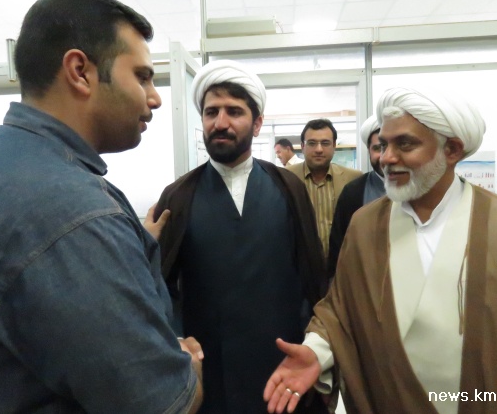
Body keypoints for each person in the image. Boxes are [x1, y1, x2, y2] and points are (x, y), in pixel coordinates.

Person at [0, 0, 203, 413]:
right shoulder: (77, 216)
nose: (155, 97)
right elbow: (159, 404)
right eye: (141, 76)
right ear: (80, 71)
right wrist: (187, 368)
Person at [264, 87, 497, 414]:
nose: (387, 158)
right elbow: (340, 310)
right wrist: (316, 352)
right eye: (384, 144)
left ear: (452, 150)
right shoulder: (365, 226)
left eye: (405, 144)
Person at [152, 59, 328, 414]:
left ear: (257, 123)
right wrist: (177, 340)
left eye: (234, 112)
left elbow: (311, 277)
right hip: (208, 371)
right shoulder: (178, 196)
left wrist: (312, 344)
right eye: (211, 112)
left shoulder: (288, 187)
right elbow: (161, 286)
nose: (221, 123)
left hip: (282, 365)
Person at [286, 118, 362, 258]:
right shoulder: (285, 178)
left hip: (341, 263)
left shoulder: (354, 179)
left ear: (334, 146)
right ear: (302, 146)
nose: (319, 149)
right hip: (299, 265)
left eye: (325, 143)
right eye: (312, 143)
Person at [327, 115, 386, 275]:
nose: (385, 156)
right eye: (378, 148)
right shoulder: (353, 191)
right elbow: (339, 247)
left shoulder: (421, 189)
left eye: (389, 147)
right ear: (369, 151)